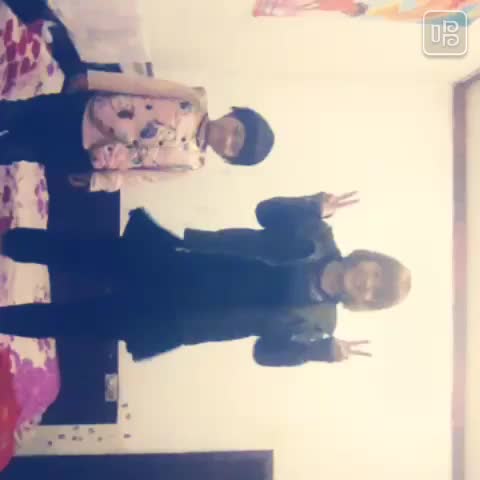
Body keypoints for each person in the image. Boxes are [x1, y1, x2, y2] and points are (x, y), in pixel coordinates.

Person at [0, 191, 411, 366]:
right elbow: (266, 212)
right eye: (376, 274)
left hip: (178, 318)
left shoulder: (321, 324)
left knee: (72, 322)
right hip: (177, 261)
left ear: (367, 304)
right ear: (368, 260)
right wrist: (310, 205)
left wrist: (318, 353)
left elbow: (266, 354)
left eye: (375, 293)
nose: (368, 284)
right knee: (73, 251)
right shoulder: (318, 235)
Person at [0, 70, 275, 192]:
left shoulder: (190, 164)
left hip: (88, 153)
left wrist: (100, 182)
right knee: (18, 113)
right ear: (233, 114)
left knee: (20, 149)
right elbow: (141, 85)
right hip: (84, 111)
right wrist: (93, 79)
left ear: (228, 158)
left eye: (234, 147)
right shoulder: (192, 100)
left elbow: (142, 176)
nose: (228, 138)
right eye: (237, 131)